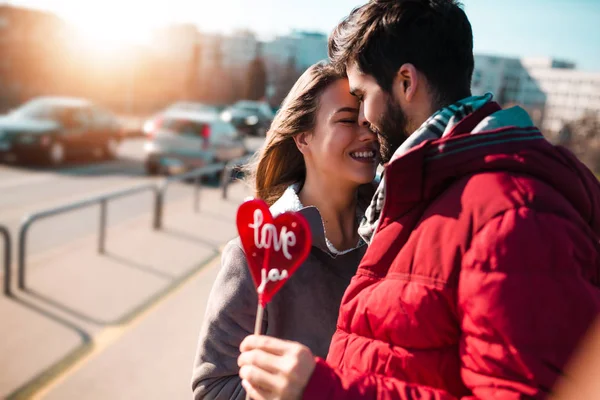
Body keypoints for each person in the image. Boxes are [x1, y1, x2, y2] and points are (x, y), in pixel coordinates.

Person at [237, 1, 600, 399]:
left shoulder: (513, 214)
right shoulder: (427, 192)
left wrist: (322, 390)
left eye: (363, 95)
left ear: (406, 83)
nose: (363, 120)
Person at [191, 62, 379, 399]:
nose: (367, 133)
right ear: (303, 137)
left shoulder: (391, 236)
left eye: (368, 120)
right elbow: (212, 388)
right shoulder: (259, 250)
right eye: (348, 120)